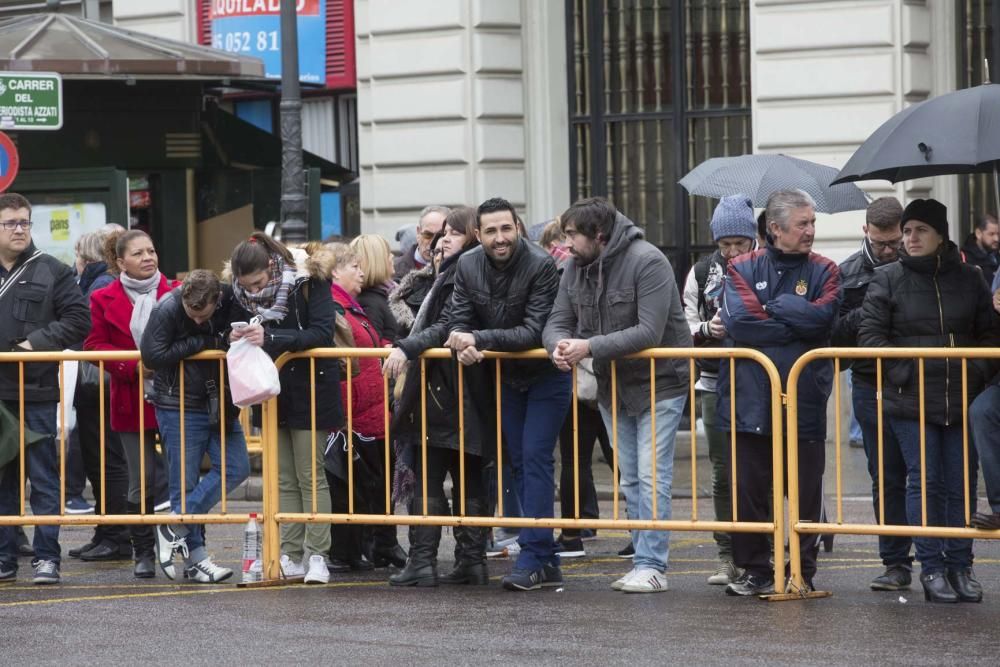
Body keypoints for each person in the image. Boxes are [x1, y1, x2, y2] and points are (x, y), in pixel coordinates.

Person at [543, 197, 691, 593]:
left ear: (600, 236)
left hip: (661, 383)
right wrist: (559, 345)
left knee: (651, 475)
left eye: (572, 235)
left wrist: (586, 347)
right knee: (630, 479)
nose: (566, 243)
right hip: (612, 385)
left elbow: (648, 332)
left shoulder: (648, 261)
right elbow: (557, 320)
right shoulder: (574, 267)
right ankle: (643, 560)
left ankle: (652, 565)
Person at [860, 198, 997, 603]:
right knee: (925, 481)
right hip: (911, 400)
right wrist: (906, 372)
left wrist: (974, 372)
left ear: (941, 235)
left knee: (960, 484)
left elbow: (989, 334)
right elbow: (871, 338)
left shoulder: (971, 277)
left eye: (920, 229)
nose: (911, 238)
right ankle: (932, 567)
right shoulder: (887, 279)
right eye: (906, 231)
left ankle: (961, 564)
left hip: (960, 398)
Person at [718, 189, 841, 596]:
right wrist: (796, 320)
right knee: (749, 490)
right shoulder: (741, 266)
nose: (810, 231)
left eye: (812, 223)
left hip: (804, 397)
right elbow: (742, 325)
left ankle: (802, 570)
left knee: (805, 493)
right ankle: (755, 570)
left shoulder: (826, 269)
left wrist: (775, 306)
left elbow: (825, 320)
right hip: (749, 399)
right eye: (802, 223)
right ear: (775, 228)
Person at [446, 197, 570, 592]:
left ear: (517, 227)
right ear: (478, 234)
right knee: (517, 461)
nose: (500, 238)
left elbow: (534, 331)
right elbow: (459, 320)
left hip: (547, 374)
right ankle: (545, 557)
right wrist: (461, 343)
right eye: (491, 231)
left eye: (506, 228)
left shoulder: (540, 264)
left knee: (534, 457)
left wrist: (476, 338)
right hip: (506, 376)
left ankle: (534, 555)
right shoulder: (467, 265)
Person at [383, 206, 495, 587]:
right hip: (452, 390)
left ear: (473, 238)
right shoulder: (450, 273)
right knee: (463, 477)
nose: (444, 239)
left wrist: (407, 346)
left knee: (435, 476)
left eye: (454, 233)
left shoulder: (462, 274)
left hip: (447, 390)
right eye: (441, 233)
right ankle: (463, 560)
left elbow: (448, 325)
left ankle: (432, 561)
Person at [227, 231, 341, 585]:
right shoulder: (237, 291)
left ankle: (318, 555)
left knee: (311, 474)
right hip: (270, 388)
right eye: (245, 285)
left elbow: (322, 332)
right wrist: (231, 335)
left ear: (271, 265)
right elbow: (225, 326)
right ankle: (290, 554)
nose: (253, 291)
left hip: (310, 386)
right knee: (283, 477)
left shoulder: (309, 278)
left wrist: (272, 338)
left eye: (258, 282)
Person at [0, 193, 90, 585]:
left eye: (25, 222)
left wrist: (32, 344)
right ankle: (4, 558)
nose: (20, 229)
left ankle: (47, 557)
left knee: (44, 478)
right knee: (2, 479)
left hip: (35, 390)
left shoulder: (54, 270)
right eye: (10, 223)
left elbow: (78, 320)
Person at [142, 270, 250, 583]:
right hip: (177, 403)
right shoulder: (168, 307)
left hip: (220, 399)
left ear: (217, 300)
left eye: (203, 314)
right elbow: (152, 355)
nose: (197, 318)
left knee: (237, 467)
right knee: (184, 484)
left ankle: (174, 524)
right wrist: (205, 340)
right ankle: (196, 558)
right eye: (191, 313)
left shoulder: (231, 299)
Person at [831, 196, 915, 591]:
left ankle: (941, 559)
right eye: (881, 242)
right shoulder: (847, 272)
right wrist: (873, 308)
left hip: (917, 380)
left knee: (927, 474)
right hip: (869, 381)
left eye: (894, 242)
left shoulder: (917, 263)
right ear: (866, 231)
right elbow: (835, 335)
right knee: (885, 475)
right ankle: (895, 562)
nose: (888, 250)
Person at [85, 229, 176, 579]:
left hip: (174, 397)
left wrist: (164, 358)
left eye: (151, 251)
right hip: (130, 396)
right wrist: (133, 364)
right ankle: (144, 553)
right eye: (138, 254)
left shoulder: (175, 292)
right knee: (141, 480)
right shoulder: (103, 297)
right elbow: (93, 346)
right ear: (120, 262)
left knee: (179, 479)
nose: (148, 258)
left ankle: (189, 547)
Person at [682, 194, 756, 586]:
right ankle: (727, 554)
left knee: (760, 469)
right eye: (724, 244)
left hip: (758, 381)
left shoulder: (767, 264)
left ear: (753, 238)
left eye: (738, 244)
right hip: (713, 380)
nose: (730, 252)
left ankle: (765, 550)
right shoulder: (702, 271)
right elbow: (685, 324)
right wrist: (706, 330)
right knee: (722, 471)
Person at [324, 243, 402, 573]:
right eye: (353, 266)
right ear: (334, 272)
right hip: (354, 415)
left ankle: (374, 546)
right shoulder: (333, 307)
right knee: (351, 486)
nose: (360, 272)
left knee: (373, 483)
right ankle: (349, 550)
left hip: (371, 410)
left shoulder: (351, 306)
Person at [66, 231, 132, 562]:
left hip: (98, 383)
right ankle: (105, 531)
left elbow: (87, 331)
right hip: (99, 382)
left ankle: (116, 535)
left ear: (86, 256)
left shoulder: (98, 283)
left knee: (108, 460)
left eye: (78, 254)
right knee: (100, 459)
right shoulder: (100, 281)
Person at [350, 234, 399, 346]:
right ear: (377, 261)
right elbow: (374, 347)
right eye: (387, 252)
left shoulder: (389, 293)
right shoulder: (369, 303)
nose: (392, 256)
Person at [393, 205, 449, 281]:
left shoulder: (458, 269)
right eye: (428, 235)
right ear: (418, 232)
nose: (433, 242)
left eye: (440, 236)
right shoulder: (392, 269)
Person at [961, 214, 999, 286]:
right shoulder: (965, 259)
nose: (996, 239)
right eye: (991, 234)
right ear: (978, 233)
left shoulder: (996, 254)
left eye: (998, 234)